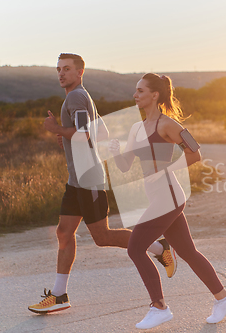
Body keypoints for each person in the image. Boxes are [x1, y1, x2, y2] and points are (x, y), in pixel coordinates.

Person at [28, 54, 176, 314]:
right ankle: (59, 295)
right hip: (77, 180)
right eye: (58, 69)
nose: (61, 74)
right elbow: (101, 132)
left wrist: (57, 129)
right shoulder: (80, 96)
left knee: (102, 236)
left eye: (67, 69)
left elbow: (85, 135)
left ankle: (158, 246)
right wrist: (68, 135)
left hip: (89, 179)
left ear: (80, 71)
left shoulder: (76, 97)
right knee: (64, 233)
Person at [108, 73, 226, 329]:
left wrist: (168, 170)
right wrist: (115, 153)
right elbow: (126, 167)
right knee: (188, 252)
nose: (135, 95)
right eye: (135, 90)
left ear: (154, 95)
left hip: (169, 196)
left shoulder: (168, 125)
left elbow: (195, 151)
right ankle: (223, 298)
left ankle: (159, 307)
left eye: (141, 90)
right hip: (157, 196)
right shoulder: (137, 128)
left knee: (135, 248)